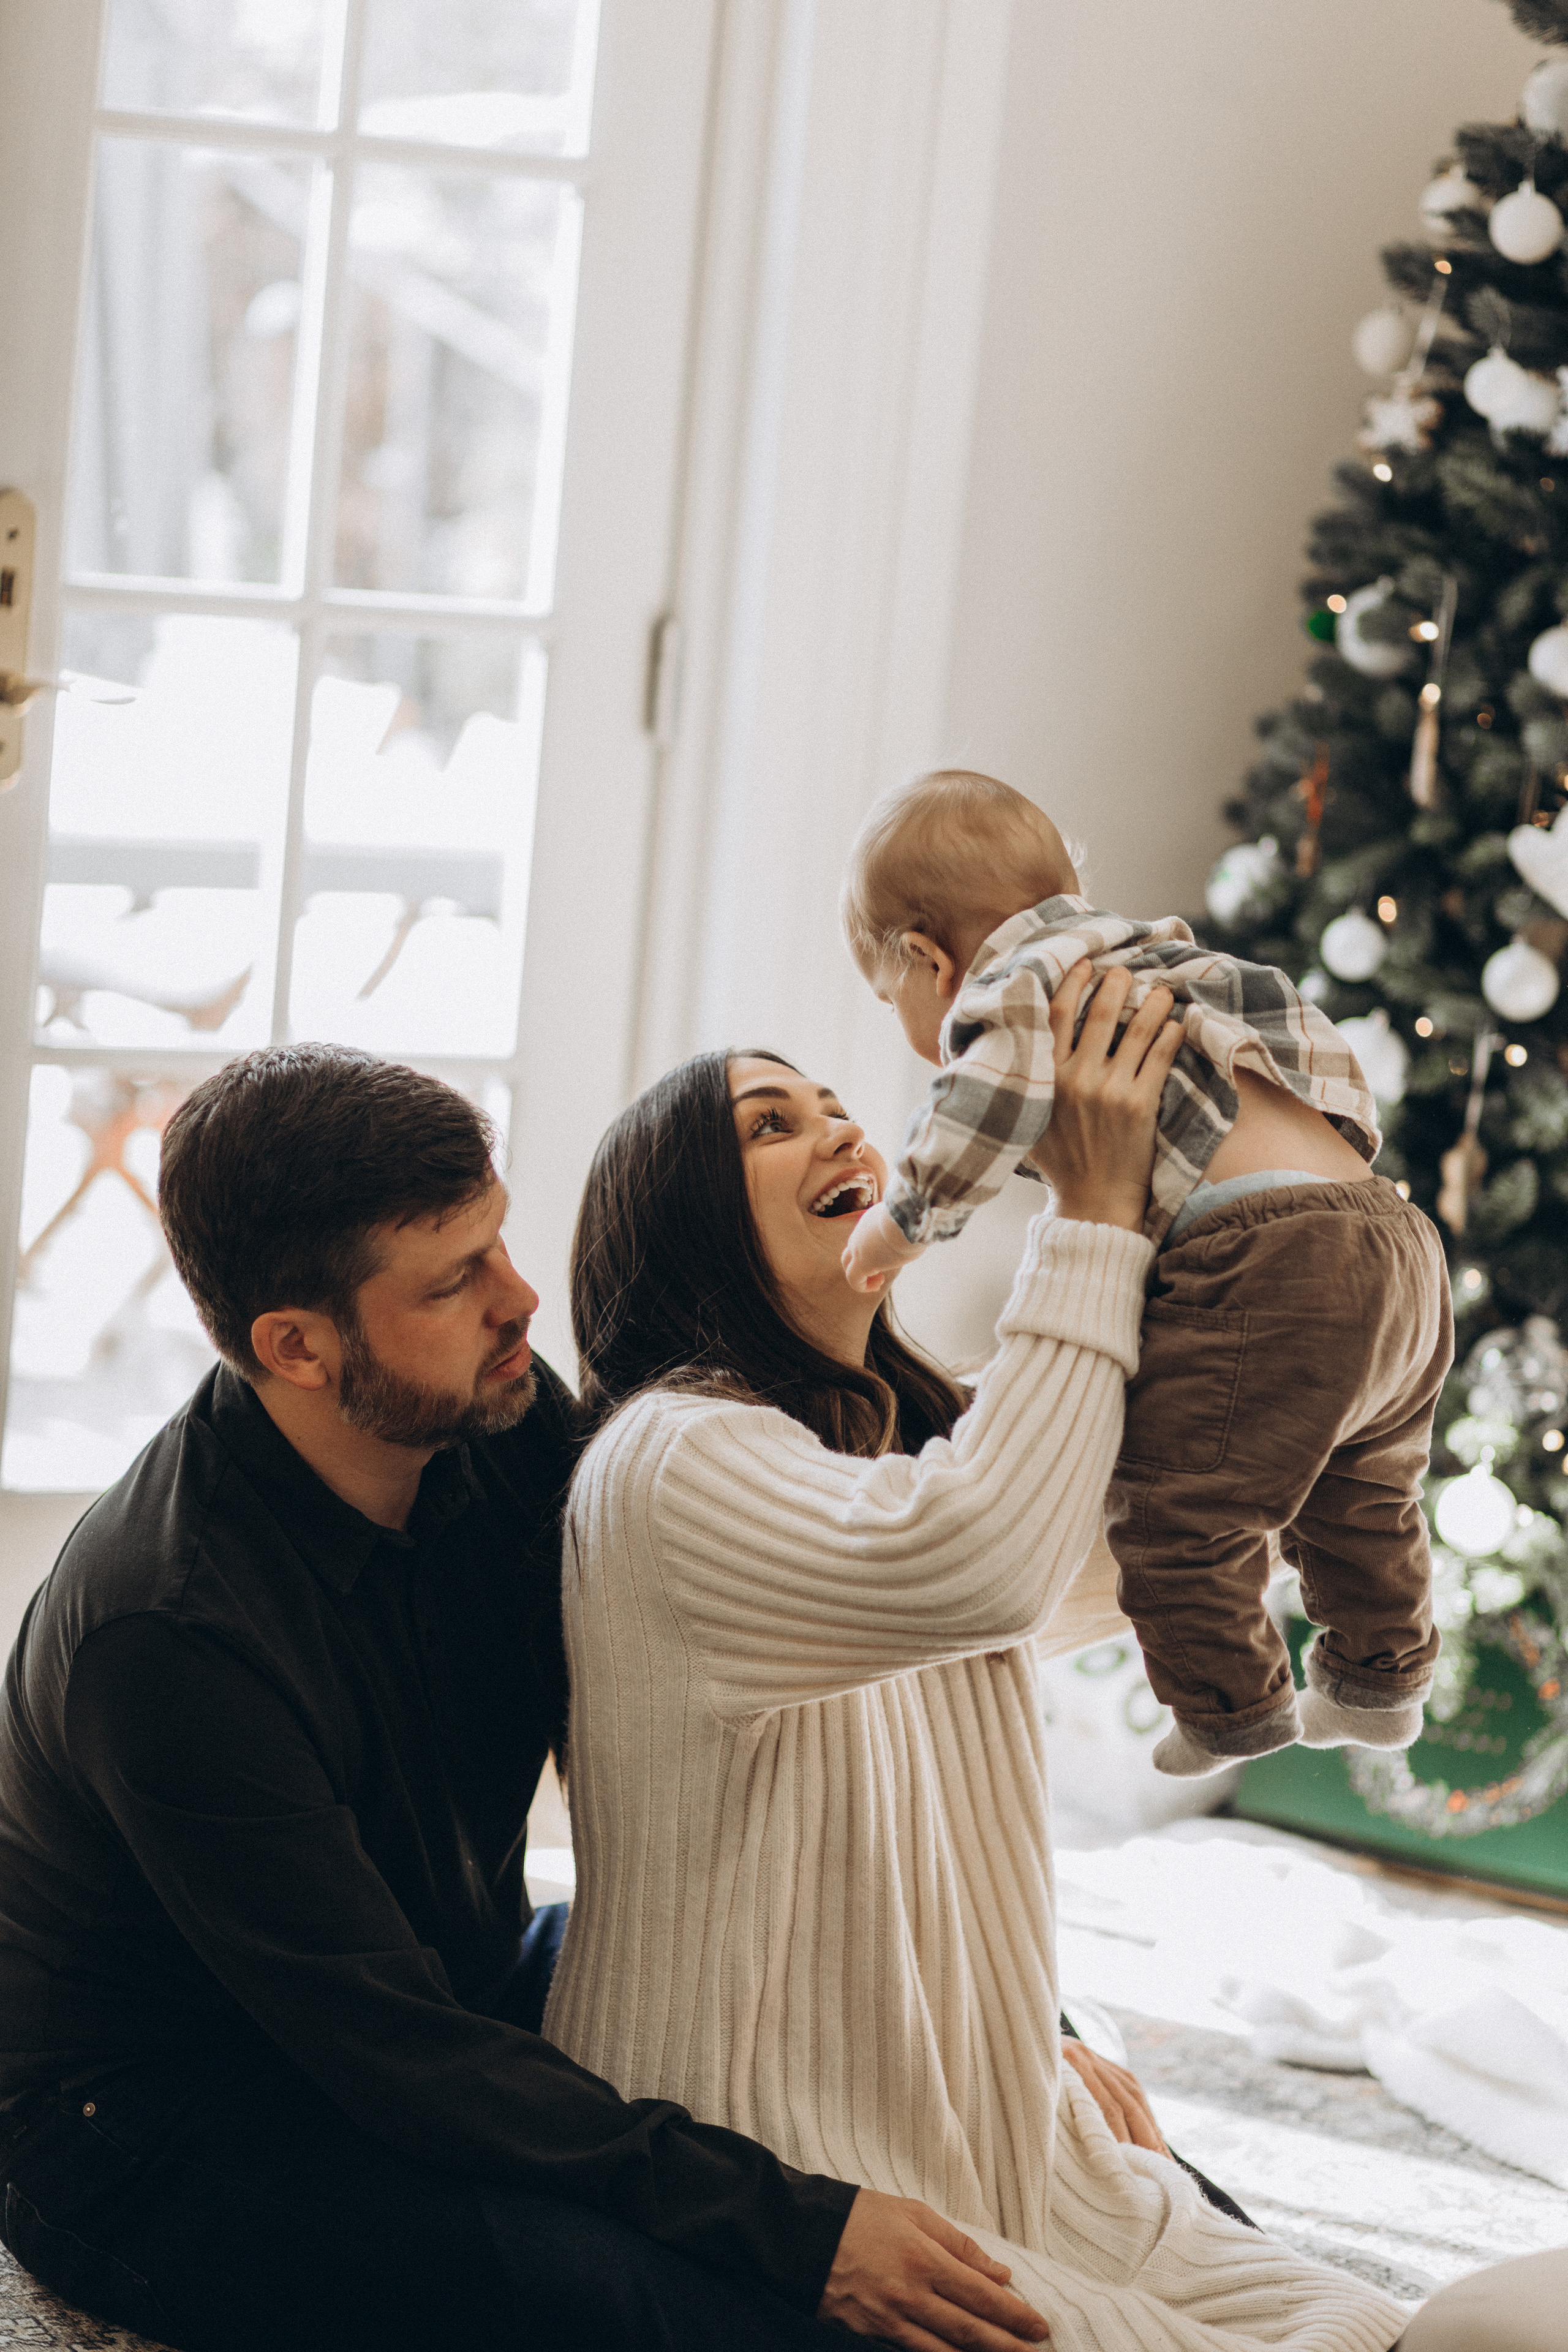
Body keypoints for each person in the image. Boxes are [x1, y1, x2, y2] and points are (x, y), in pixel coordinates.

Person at [548, 987, 1566, 2352]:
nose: (839, 1128)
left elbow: (1194, 1523)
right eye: (769, 1124)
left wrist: (1321, 1244)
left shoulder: (894, 1453)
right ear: (682, 1224)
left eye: (833, 1105)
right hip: (774, 2188)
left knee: (1398, 2324)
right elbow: (989, 1562)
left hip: (994, 2146)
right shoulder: (667, 1460)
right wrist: (1088, 1214)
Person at [0, 1042, 1060, 2352]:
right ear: (298, 1346)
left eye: (496, 1242)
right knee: (686, 2303)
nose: (519, 1300)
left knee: (881, 2031)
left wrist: (983, 2026)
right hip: (166, 2113)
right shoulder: (167, 1634)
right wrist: (801, 2230)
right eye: (454, 1281)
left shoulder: (495, 1423)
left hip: (451, 1986)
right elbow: (396, 2055)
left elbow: (734, 1783)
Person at [835, 767, 1450, 1778]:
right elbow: (1309, 1043)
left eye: (888, 996)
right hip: (1392, 1233)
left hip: (1272, 1256)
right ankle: (1380, 1684)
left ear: (927, 960)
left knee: (1179, 1515)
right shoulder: (1166, 956)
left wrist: (896, 1231)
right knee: (1365, 1490)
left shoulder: (1013, 992)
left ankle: (1232, 1711)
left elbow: (972, 1116)